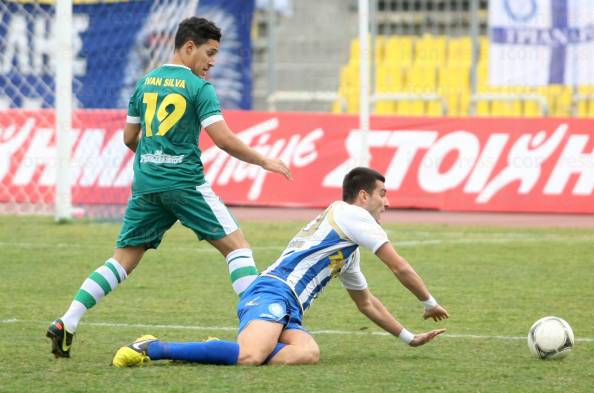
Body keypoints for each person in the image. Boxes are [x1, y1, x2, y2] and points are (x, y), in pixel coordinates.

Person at [46, 17, 291, 359]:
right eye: (210, 52)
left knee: (121, 261)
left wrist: (155, 157)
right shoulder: (198, 88)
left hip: (147, 183)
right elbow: (223, 139)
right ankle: (260, 333)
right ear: (189, 47)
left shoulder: (144, 83)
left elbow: (130, 138)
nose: (212, 61)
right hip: (185, 184)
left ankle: (67, 321)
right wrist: (264, 160)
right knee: (238, 249)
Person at [112, 167, 449, 367]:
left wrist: (408, 338)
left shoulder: (345, 244)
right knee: (249, 359)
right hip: (272, 290)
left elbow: (367, 302)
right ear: (363, 196)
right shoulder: (353, 216)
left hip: (289, 310)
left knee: (307, 353)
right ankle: (152, 348)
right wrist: (428, 302)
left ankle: (225, 348)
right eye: (382, 195)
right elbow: (399, 266)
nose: (387, 202)